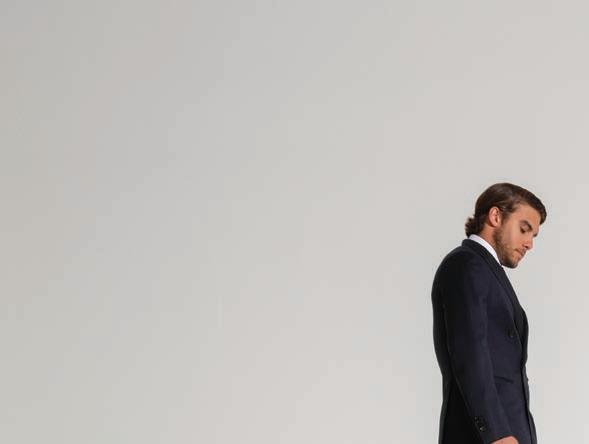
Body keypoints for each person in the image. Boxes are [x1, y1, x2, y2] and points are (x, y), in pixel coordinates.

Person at [431, 183, 547, 444]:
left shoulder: (487, 272)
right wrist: (497, 432)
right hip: (487, 436)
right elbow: (470, 353)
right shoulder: (466, 265)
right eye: (524, 229)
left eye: (533, 235)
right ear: (495, 216)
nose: (529, 243)